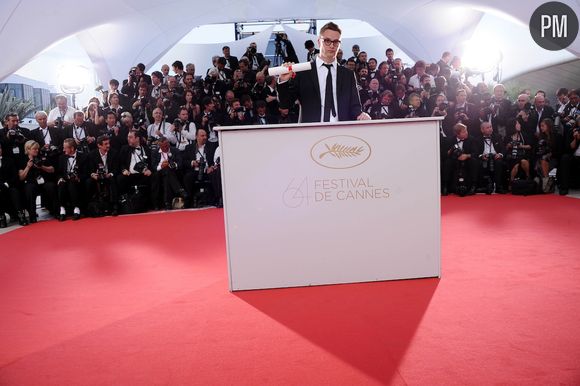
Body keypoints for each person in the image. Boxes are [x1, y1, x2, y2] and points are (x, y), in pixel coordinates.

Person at [278, 22, 370, 123]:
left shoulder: (348, 75)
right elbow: (285, 104)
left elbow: (355, 107)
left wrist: (362, 115)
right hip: (312, 133)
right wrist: (283, 80)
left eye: (336, 42)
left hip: (342, 132)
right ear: (319, 42)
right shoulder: (304, 72)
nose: (332, 45)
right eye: (327, 41)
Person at [18, 140, 57, 223]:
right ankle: (32, 215)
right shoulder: (22, 159)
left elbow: (52, 169)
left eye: (37, 149)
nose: (36, 150)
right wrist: (28, 167)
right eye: (34, 149)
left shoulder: (41, 157)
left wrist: (42, 167)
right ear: (28, 149)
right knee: (30, 188)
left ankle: (56, 211)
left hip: (43, 182)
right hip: (31, 182)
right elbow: (21, 177)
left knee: (51, 186)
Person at [442, 123, 478, 196]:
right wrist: (451, 151)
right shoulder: (449, 140)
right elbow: (444, 154)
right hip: (454, 160)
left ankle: (473, 186)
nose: (466, 133)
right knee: (447, 162)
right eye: (464, 132)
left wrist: (467, 155)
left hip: (467, 159)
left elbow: (476, 153)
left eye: (466, 131)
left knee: (473, 161)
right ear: (457, 134)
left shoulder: (471, 139)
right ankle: (445, 186)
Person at [56, 138, 89, 221]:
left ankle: (76, 209)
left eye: (65, 148)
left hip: (77, 181)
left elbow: (86, 173)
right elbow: (59, 172)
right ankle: (62, 210)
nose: (63, 150)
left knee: (72, 183)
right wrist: (60, 178)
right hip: (65, 179)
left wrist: (78, 178)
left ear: (72, 148)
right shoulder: (62, 158)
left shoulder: (83, 157)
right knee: (61, 184)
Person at [87, 135, 119, 216]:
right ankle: (93, 207)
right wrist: (93, 174)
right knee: (89, 182)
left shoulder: (114, 153)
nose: (108, 145)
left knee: (112, 180)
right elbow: (90, 169)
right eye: (105, 144)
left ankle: (114, 206)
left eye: (108, 143)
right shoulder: (92, 154)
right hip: (97, 176)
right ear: (99, 145)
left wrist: (110, 174)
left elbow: (116, 168)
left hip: (109, 176)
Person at [477, 121, 506, 194]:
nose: (490, 129)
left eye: (491, 127)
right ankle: (483, 186)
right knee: (479, 163)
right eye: (487, 128)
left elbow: (503, 149)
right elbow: (475, 151)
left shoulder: (497, 136)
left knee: (499, 162)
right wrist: (481, 156)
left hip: (495, 157)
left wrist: (500, 154)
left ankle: (498, 187)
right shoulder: (477, 139)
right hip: (484, 157)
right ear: (482, 130)